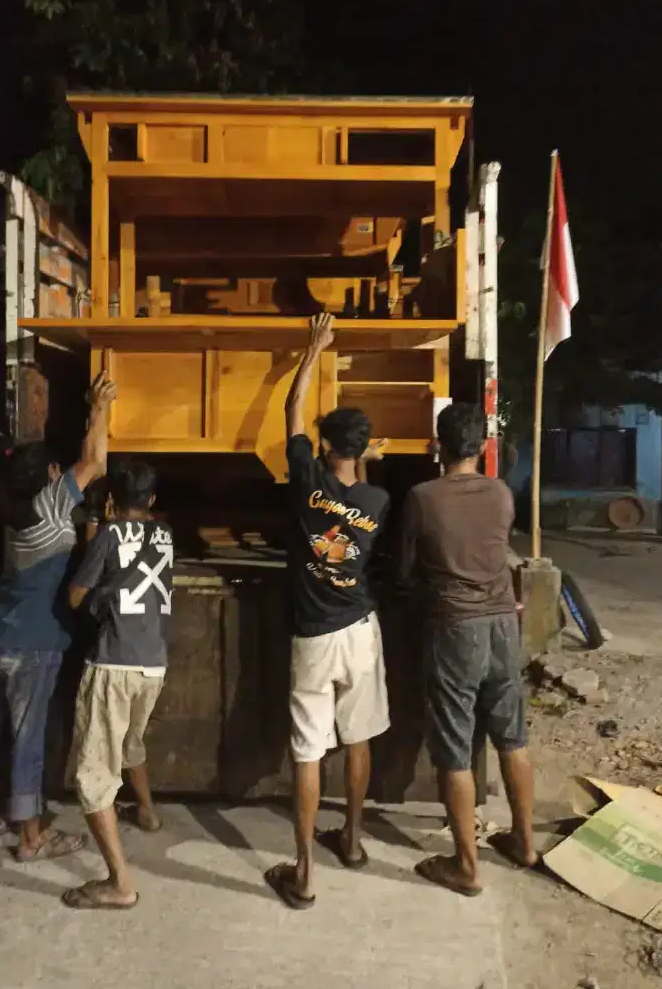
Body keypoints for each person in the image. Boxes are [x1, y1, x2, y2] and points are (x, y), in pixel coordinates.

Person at [0, 371, 116, 859]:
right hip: (32, 644)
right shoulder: (50, 508)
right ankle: (32, 838)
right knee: (28, 739)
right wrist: (98, 405)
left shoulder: (15, 512)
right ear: (51, 477)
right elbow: (94, 461)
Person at [266, 313, 390, 910]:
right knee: (358, 737)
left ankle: (306, 873)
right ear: (362, 452)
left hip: (312, 636)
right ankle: (355, 839)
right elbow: (354, 497)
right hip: (360, 630)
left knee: (308, 751)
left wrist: (313, 350)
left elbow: (292, 407)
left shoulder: (302, 482)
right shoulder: (378, 498)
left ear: (322, 447)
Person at [399, 402, 536, 896]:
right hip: (503, 624)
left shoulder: (421, 495)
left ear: (438, 444)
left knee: (455, 751)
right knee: (512, 738)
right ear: (481, 447)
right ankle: (524, 843)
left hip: (455, 628)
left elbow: (405, 568)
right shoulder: (501, 494)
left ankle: (466, 866)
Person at [63, 459, 173, 910]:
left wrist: (94, 535)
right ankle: (146, 812)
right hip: (154, 667)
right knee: (130, 740)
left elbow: (75, 597)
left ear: (111, 500)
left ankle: (120, 883)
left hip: (113, 665)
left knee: (91, 778)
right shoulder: (166, 535)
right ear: (151, 501)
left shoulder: (108, 535)